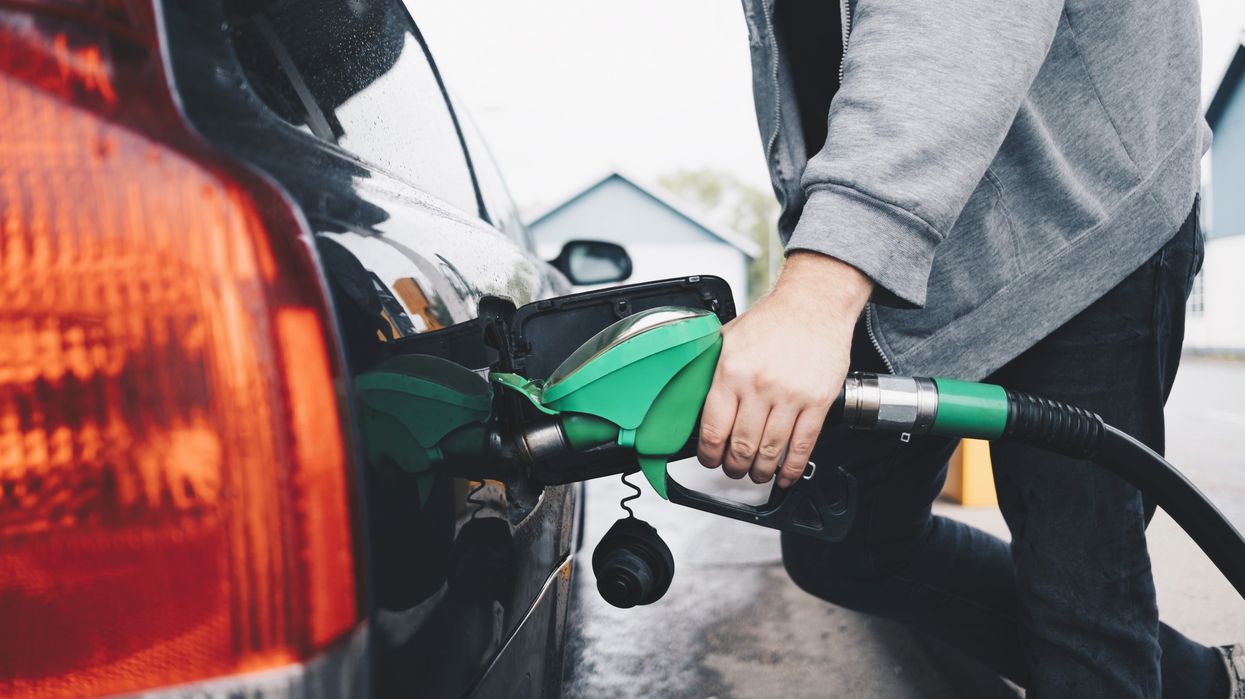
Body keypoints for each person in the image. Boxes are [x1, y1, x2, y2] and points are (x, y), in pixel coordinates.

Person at [696, 1, 1243, 696]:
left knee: (1080, 605)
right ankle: (1198, 682)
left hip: (1080, 232)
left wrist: (818, 288)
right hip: (909, 251)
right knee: (840, 541)